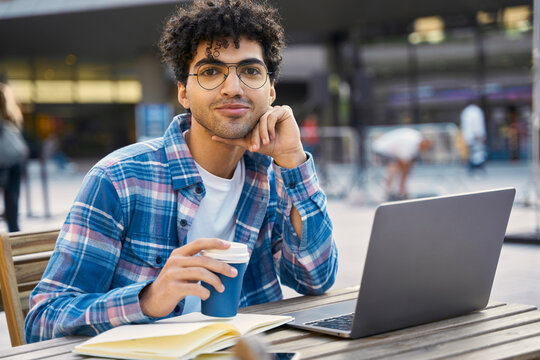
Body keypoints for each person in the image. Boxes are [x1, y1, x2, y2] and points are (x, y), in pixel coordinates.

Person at [25, 0, 338, 343]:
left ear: (271, 90)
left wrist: (294, 161)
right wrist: (147, 299)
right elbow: (43, 320)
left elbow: (316, 279)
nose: (233, 87)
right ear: (183, 93)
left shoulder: (274, 176)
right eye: (210, 71)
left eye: (250, 71)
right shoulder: (120, 179)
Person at [372, 127, 432, 200]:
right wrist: (403, 185)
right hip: (382, 148)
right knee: (393, 167)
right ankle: (387, 191)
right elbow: (404, 164)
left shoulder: (416, 140)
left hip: (389, 148)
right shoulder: (411, 144)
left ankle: (396, 190)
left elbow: (407, 164)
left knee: (399, 168)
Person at [0, 83, 25, 232]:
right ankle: (14, 236)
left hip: (3, 162)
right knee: (13, 202)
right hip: (15, 161)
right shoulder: (13, 114)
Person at [460, 102, 487, 173]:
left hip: (468, 136)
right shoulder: (476, 111)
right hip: (475, 136)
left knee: (471, 152)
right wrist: (479, 134)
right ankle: (476, 167)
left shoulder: (466, 112)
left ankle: (471, 168)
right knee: (478, 152)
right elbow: (477, 125)